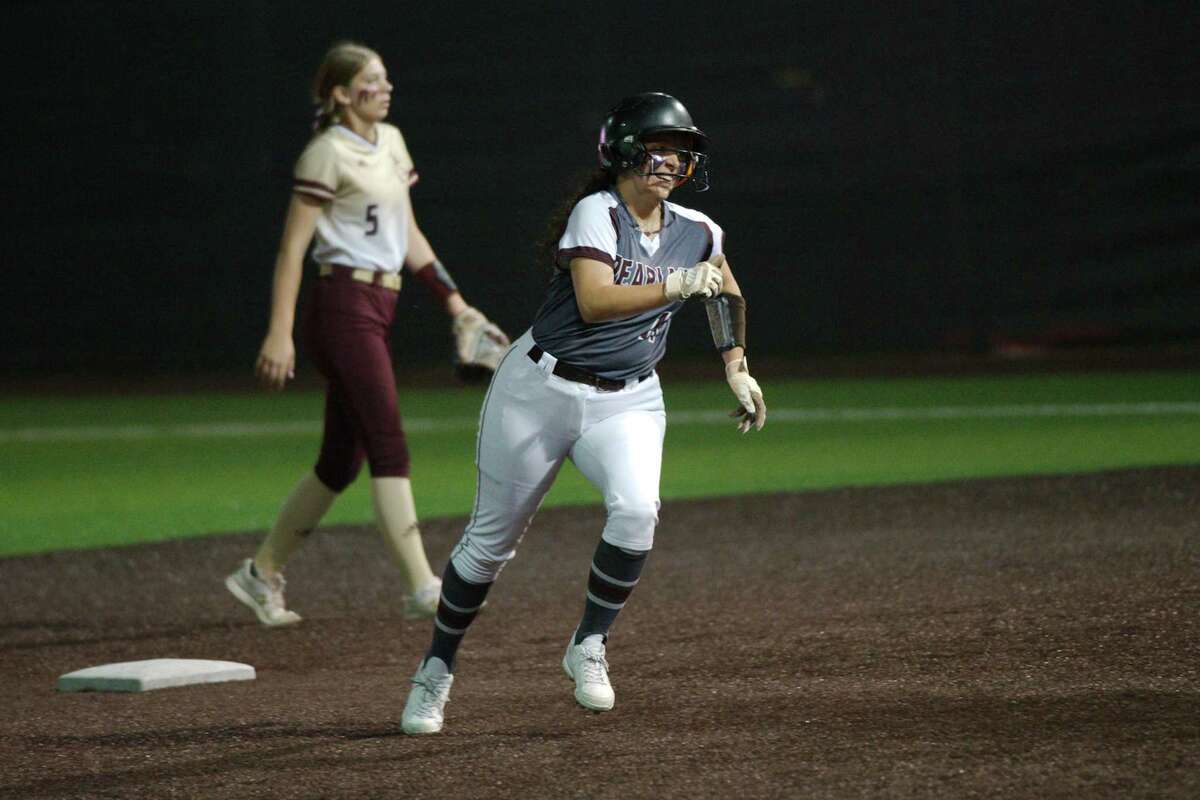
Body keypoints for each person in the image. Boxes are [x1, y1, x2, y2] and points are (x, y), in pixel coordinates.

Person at [399, 92, 767, 734]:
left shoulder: (698, 230)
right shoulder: (597, 212)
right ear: (626, 150)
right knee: (489, 546)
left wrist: (735, 365)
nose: (674, 160)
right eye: (661, 146)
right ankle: (435, 670)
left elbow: (727, 292)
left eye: (681, 150)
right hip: (537, 391)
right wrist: (678, 284)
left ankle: (588, 643)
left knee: (635, 511)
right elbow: (595, 301)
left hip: (627, 396)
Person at [224, 41, 507, 627]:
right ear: (342, 94)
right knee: (389, 444)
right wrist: (280, 332)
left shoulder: (392, 142)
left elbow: (407, 234)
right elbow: (292, 248)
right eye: (373, 81)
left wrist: (455, 303)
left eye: (385, 79)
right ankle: (422, 587)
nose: (386, 88)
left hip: (380, 303)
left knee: (338, 462)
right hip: (341, 304)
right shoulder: (325, 154)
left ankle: (259, 573)